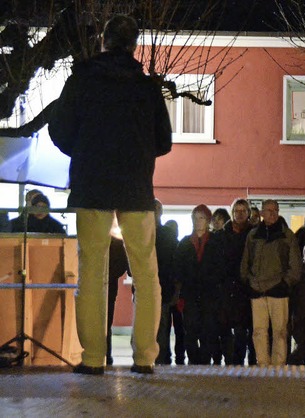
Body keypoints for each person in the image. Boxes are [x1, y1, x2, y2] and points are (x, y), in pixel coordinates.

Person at [48, 14, 172, 375]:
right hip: (135, 187)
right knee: (147, 273)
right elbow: (163, 141)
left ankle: (92, 358)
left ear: (103, 40)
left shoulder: (82, 79)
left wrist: (85, 151)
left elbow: (59, 131)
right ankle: (145, 357)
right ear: (134, 45)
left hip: (92, 184)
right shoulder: (147, 87)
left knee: (92, 272)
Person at [240, 199, 301, 366]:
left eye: (275, 210)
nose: (272, 213)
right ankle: (263, 365)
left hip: (278, 290)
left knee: (280, 332)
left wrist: (286, 282)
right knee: (258, 332)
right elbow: (246, 260)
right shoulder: (253, 235)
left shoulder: (287, 235)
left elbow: (295, 263)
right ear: (261, 213)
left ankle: (278, 366)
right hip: (257, 290)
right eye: (268, 210)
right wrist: (247, 281)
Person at [173, 205, 218, 364]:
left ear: (208, 221)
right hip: (190, 294)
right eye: (196, 218)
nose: (198, 222)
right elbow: (178, 269)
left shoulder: (216, 242)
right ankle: (193, 362)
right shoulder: (185, 243)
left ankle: (205, 362)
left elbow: (220, 268)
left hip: (209, 295)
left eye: (201, 218)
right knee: (190, 331)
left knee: (207, 331)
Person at [218, 199, 256, 365]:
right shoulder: (221, 235)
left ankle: (241, 361)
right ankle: (229, 362)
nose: (240, 214)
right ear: (232, 213)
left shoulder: (254, 234)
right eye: (237, 211)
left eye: (243, 211)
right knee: (225, 328)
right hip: (226, 287)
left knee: (243, 329)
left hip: (246, 288)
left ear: (248, 213)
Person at [154, 199, 180, 365]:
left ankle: (161, 361)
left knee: (161, 330)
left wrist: (175, 290)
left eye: (157, 210)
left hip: (163, 290)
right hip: (143, 290)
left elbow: (174, 263)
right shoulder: (141, 233)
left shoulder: (167, 235)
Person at [106, 219, 129, 366]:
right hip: (109, 284)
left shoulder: (115, 241)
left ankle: (105, 355)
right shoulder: (116, 240)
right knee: (105, 322)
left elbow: (121, 264)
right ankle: (106, 356)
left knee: (105, 322)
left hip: (107, 285)